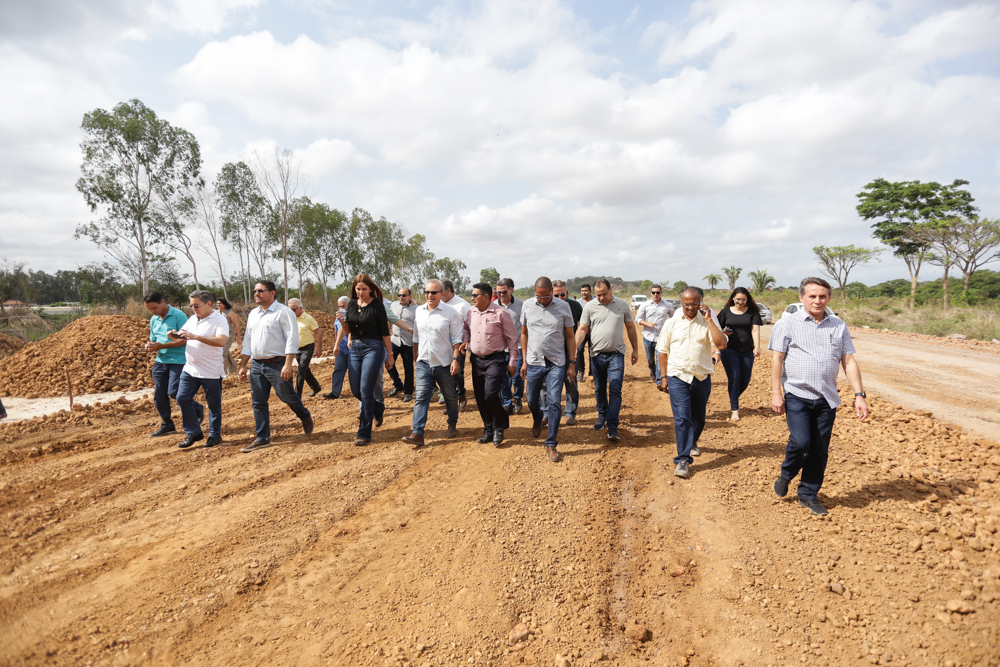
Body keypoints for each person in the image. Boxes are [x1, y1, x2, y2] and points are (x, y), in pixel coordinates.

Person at [770, 277, 869, 516]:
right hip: (797, 393)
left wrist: (859, 395)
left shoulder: (838, 325)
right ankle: (786, 473)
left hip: (827, 398)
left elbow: (848, 361)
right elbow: (777, 359)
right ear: (802, 298)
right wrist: (776, 392)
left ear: (829, 299)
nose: (817, 300)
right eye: (812, 296)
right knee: (801, 441)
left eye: (822, 296)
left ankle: (808, 494)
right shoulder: (787, 324)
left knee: (819, 450)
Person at [657, 286, 728, 479]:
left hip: (701, 377)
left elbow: (721, 344)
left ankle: (692, 441)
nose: (690, 307)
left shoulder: (708, 321)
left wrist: (709, 320)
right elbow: (662, 351)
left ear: (701, 301)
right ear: (681, 303)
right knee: (682, 418)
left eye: (694, 303)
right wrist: (663, 377)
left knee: (699, 418)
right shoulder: (671, 323)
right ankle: (682, 459)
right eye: (686, 304)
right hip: (677, 376)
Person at [238, 280, 313, 453]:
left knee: (286, 396)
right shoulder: (253, 314)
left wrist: (288, 364)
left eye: (260, 291)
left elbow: (292, 339)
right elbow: (248, 341)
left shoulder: (283, 312)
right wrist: (243, 364)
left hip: (277, 363)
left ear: (272, 293)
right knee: (258, 401)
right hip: (256, 364)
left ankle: (304, 415)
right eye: (255, 291)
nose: (256, 294)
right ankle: (262, 438)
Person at [520, 277, 577, 463]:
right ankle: (538, 418)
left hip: (556, 362)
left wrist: (571, 363)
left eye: (545, 297)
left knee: (554, 401)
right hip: (534, 361)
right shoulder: (528, 306)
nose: (542, 300)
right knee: (530, 399)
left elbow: (570, 337)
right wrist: (524, 361)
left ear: (552, 292)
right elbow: (524, 333)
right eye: (538, 296)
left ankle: (551, 442)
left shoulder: (563, 307)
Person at [333, 274, 394, 446]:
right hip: (355, 348)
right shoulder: (352, 304)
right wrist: (342, 322)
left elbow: (384, 332)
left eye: (364, 289)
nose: (360, 292)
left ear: (371, 289)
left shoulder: (377, 306)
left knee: (366, 390)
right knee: (355, 390)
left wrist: (389, 355)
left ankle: (364, 432)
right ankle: (378, 408)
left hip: (373, 348)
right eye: (358, 289)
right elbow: (348, 329)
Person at [575, 279, 638, 443]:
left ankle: (613, 426)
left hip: (616, 354)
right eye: (597, 295)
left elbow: (630, 327)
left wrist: (635, 350)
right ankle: (601, 415)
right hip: (596, 355)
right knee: (600, 388)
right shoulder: (590, 306)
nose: (601, 298)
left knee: (615, 389)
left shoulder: (622, 305)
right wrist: (574, 349)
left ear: (611, 289)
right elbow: (582, 329)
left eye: (604, 294)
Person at [402, 279, 463, 447]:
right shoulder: (420, 311)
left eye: (434, 292)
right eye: (427, 292)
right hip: (424, 363)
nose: (429, 295)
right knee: (421, 397)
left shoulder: (450, 313)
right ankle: (418, 433)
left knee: (450, 396)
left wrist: (456, 359)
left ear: (441, 294)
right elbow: (416, 336)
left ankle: (452, 421)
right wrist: (416, 353)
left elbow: (457, 339)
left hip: (444, 363)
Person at [462, 282, 519, 446]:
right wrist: (466, 340)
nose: (472, 298)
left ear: (486, 296)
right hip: (476, 360)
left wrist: (513, 361)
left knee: (490, 394)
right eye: (472, 295)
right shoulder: (471, 312)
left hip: (495, 359)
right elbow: (465, 328)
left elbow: (512, 338)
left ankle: (498, 427)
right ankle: (488, 429)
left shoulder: (500, 313)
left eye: (475, 295)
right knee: (480, 396)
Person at [173, 290, 229, 449]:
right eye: (191, 305)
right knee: (182, 398)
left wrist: (196, 337)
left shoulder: (220, 320)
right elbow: (183, 336)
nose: (193, 308)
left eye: (196, 305)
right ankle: (193, 432)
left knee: (214, 405)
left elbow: (221, 341)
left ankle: (215, 435)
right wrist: (174, 335)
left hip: (211, 370)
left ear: (208, 304)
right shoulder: (192, 319)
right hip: (190, 369)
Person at [143, 292, 203, 438]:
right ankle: (167, 425)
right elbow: (153, 339)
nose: (153, 311)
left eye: (155, 308)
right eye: (150, 309)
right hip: (161, 360)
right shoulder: (154, 319)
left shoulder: (179, 315)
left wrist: (161, 345)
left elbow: (184, 340)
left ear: (163, 301)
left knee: (174, 392)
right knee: (159, 394)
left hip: (179, 360)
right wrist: (150, 345)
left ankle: (197, 408)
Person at [538, 280, 582, 426]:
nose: (560, 297)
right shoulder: (544, 307)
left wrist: (578, 346)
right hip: (550, 353)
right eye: (556, 295)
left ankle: (570, 413)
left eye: (563, 294)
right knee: (544, 385)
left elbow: (582, 327)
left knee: (571, 383)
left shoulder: (575, 306)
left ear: (567, 293)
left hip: (569, 351)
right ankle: (545, 413)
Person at [717, 287, 763, 421]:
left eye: (743, 299)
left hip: (747, 350)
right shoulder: (726, 312)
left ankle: (733, 396)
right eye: (738, 299)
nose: (740, 302)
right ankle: (735, 410)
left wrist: (757, 346)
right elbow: (717, 328)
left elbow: (755, 330)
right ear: (733, 298)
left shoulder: (753, 312)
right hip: (729, 349)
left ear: (747, 299)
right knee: (735, 378)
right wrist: (723, 332)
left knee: (745, 379)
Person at [440, 280, 471, 410]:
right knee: (444, 374)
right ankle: (450, 402)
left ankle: (462, 393)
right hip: (441, 344)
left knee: (457, 373)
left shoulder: (463, 305)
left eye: (439, 291)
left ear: (448, 290)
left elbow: (470, 325)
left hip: (458, 345)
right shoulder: (438, 304)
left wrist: (466, 342)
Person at [495, 278, 525, 414]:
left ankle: (518, 397)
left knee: (517, 376)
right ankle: (507, 403)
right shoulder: (493, 306)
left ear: (511, 290)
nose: (501, 294)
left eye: (504, 292)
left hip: (517, 347)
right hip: (500, 348)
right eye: (498, 292)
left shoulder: (521, 305)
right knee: (502, 377)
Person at [634, 285, 674, 383]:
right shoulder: (645, 305)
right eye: (653, 292)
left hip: (662, 337)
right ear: (651, 293)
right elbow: (637, 319)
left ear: (661, 293)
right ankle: (652, 371)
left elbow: (673, 319)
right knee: (650, 360)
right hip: (648, 336)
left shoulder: (668, 305)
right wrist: (647, 323)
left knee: (659, 358)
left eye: (658, 292)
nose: (655, 294)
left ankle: (660, 380)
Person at [288, 298, 323, 397]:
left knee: (301, 369)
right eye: (289, 309)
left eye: (293, 309)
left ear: (300, 308)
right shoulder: (290, 319)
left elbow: (319, 333)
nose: (291, 312)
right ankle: (316, 387)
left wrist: (319, 348)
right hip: (297, 349)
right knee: (305, 370)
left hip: (307, 348)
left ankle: (297, 394)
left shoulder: (308, 318)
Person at [387, 287, 417, 401]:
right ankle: (398, 384)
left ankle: (408, 392)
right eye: (399, 295)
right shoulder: (393, 305)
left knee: (408, 368)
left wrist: (416, 346)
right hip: (394, 340)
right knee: (388, 362)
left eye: (404, 295)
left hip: (408, 342)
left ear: (410, 296)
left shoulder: (416, 309)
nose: (401, 297)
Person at [322, 296, 351, 399]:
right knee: (338, 369)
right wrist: (336, 344)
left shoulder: (353, 316)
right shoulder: (338, 318)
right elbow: (336, 331)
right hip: (341, 349)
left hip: (352, 349)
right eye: (339, 306)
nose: (341, 308)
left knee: (354, 372)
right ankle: (335, 392)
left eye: (343, 306)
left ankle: (358, 392)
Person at [215, 297, 242, 376]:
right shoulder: (216, 312)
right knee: (225, 352)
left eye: (220, 303)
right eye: (217, 303)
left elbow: (236, 325)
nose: (218, 305)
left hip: (228, 334)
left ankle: (224, 373)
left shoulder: (230, 313)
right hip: (219, 334)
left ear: (224, 304)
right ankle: (234, 369)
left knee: (222, 352)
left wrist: (239, 338)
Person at [576, 283, 595, 378]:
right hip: (582, 331)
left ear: (590, 291)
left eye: (586, 290)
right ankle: (581, 371)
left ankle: (592, 372)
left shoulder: (596, 301)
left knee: (592, 352)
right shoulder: (578, 303)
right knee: (579, 350)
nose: (584, 292)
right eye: (582, 291)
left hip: (594, 331)